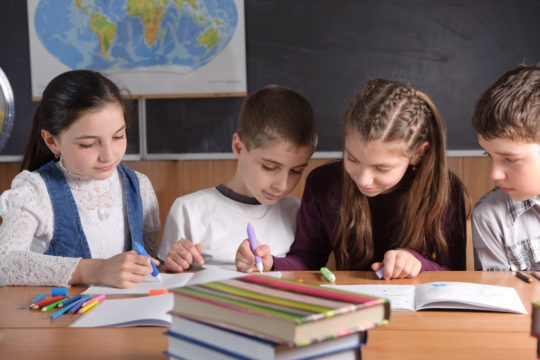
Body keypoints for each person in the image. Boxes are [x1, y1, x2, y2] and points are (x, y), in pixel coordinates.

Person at [236, 78, 468, 279]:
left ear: (418, 153)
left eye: (382, 168)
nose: (364, 179)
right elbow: (308, 260)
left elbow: (456, 272)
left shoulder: (446, 191)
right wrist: (271, 264)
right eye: (353, 159)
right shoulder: (324, 185)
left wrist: (418, 263)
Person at [0, 70, 160, 287]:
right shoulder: (35, 191)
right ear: (52, 141)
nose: (109, 155)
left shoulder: (139, 186)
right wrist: (97, 270)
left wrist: (169, 258)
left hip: (126, 313)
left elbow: (150, 259)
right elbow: (5, 263)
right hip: (61, 317)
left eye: (118, 136)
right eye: (88, 144)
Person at [158, 85, 317, 272]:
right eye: (270, 167)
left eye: (296, 171)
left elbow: (305, 270)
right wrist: (173, 263)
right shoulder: (189, 211)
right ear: (238, 147)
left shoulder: (296, 213)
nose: (282, 185)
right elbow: (164, 278)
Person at [471, 65, 540, 271]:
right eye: (489, 155)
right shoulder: (490, 217)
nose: (494, 174)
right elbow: (497, 297)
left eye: (509, 158)